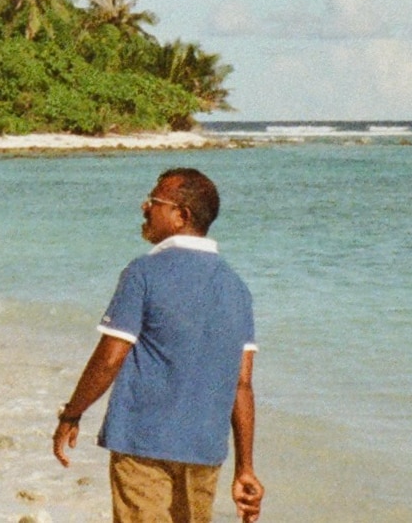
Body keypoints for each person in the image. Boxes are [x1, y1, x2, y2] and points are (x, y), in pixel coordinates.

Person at [52, 168, 262, 523]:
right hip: (205, 450)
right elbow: (241, 384)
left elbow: (110, 358)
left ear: (181, 216)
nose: (145, 207)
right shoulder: (236, 288)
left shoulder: (143, 273)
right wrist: (245, 467)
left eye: (154, 201)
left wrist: (72, 413)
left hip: (142, 443)